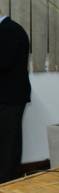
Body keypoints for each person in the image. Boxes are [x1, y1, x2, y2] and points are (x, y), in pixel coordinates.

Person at [0, 11, 31, 183]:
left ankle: (7, 183)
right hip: (7, 97)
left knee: (9, 144)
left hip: (10, 97)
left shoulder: (10, 30)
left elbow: (4, 63)